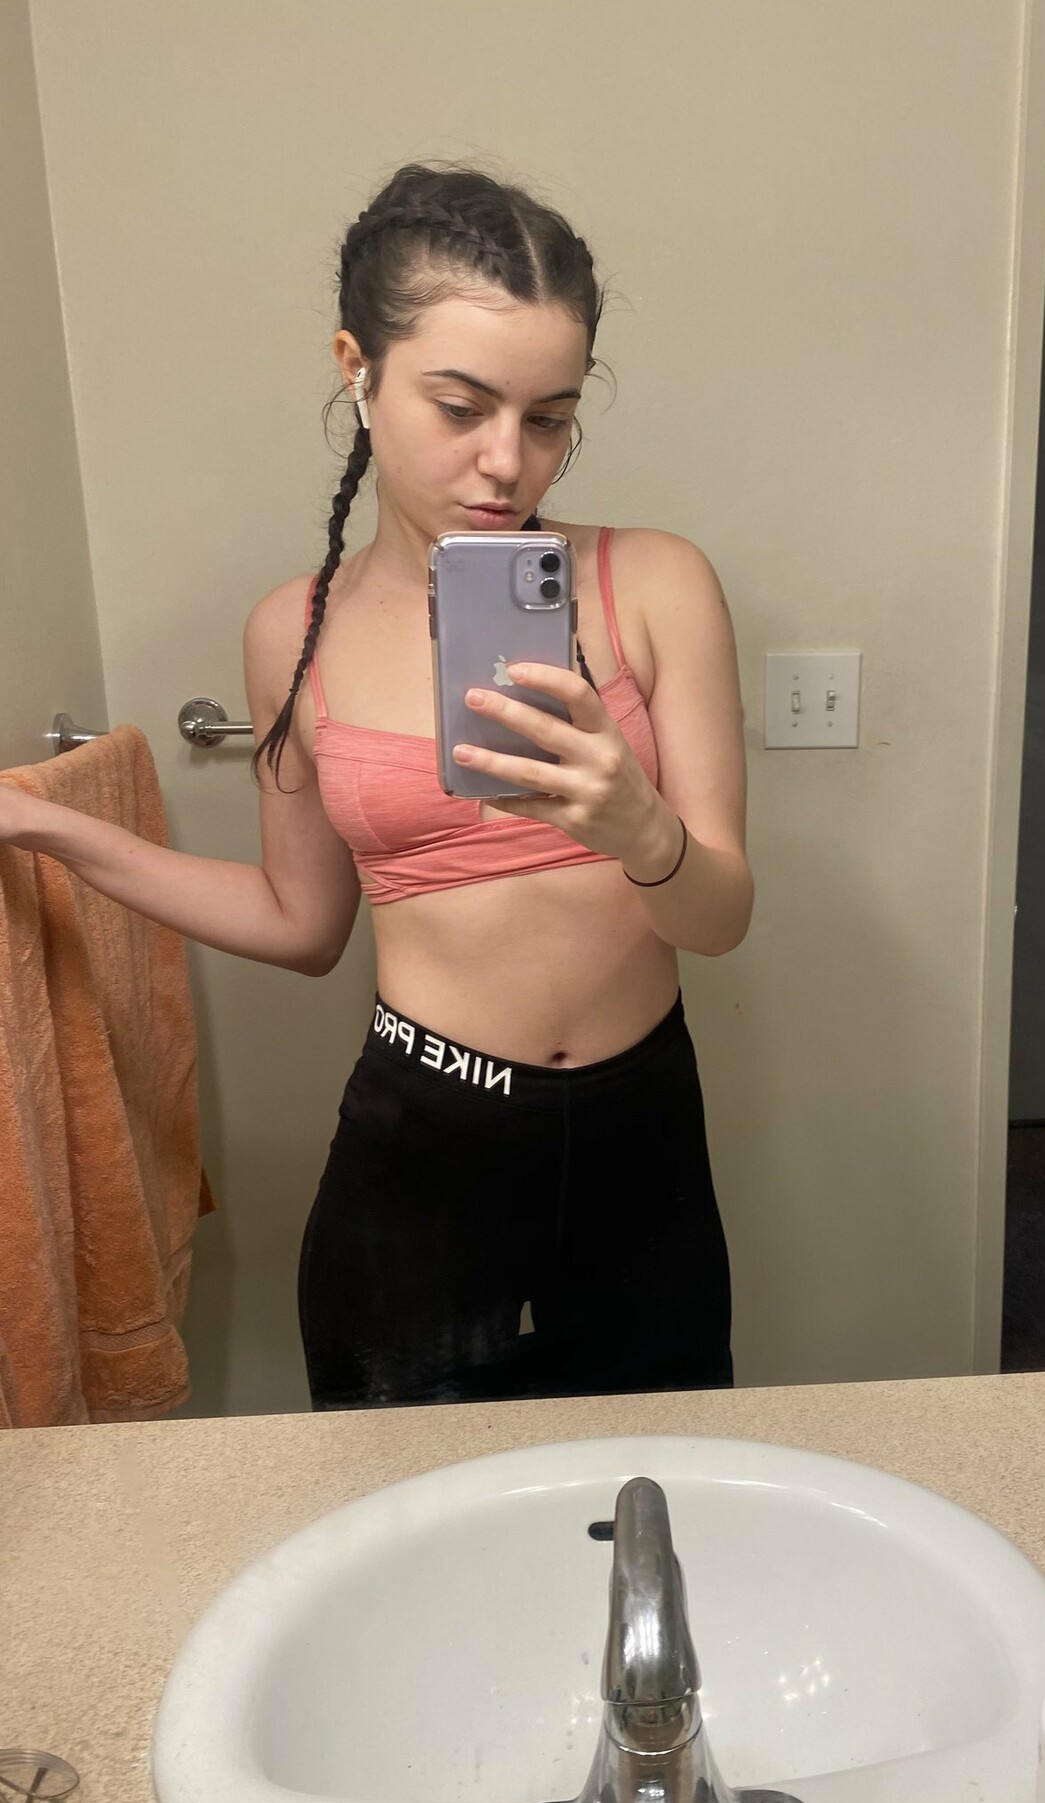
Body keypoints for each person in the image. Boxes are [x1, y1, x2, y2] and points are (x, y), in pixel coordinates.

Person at [0, 162, 751, 1411]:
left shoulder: (658, 582)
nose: (507, 463)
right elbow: (301, 926)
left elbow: (719, 920)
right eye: (460, 406)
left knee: (651, 1480)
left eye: (549, 419)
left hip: (643, 1131)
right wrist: (42, 827)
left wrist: (643, 832)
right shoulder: (292, 632)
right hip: (423, 1143)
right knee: (404, 1496)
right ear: (358, 367)